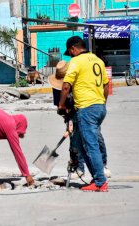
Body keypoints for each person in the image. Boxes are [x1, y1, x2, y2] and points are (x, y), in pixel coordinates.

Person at [58, 36, 109, 192]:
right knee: (80, 143)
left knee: (91, 145)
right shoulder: (98, 60)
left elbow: (66, 86)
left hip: (87, 108)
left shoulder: (76, 62)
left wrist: (61, 105)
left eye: (71, 52)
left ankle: (100, 182)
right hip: (99, 107)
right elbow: (106, 86)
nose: (71, 55)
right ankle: (96, 177)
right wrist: (102, 103)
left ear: (73, 49)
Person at [49, 61, 111, 179]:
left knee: (96, 136)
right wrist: (67, 117)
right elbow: (59, 105)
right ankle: (79, 168)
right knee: (75, 142)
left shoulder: (80, 80)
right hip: (71, 114)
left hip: (86, 110)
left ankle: (103, 165)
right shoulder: (57, 88)